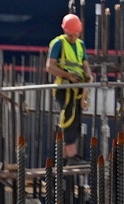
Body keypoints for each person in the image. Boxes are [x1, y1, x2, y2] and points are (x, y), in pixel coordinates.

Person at [45, 13, 87, 159]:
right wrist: (68, 75)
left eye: (76, 34)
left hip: (78, 88)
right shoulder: (58, 43)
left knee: (76, 121)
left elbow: (85, 66)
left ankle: (65, 157)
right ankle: (69, 155)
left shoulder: (81, 45)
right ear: (65, 31)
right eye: (71, 35)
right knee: (69, 117)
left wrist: (88, 79)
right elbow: (50, 67)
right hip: (64, 87)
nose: (74, 38)